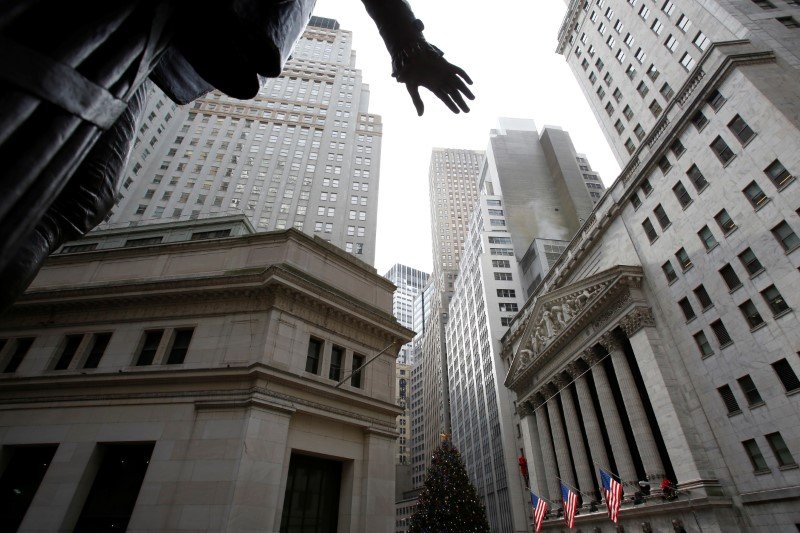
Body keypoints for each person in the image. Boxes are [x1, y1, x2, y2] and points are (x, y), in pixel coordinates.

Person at [0, 0, 473, 309]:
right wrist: (407, 42)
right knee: (67, 172)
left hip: (165, 37)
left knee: (83, 197)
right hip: (146, 20)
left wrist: (407, 44)